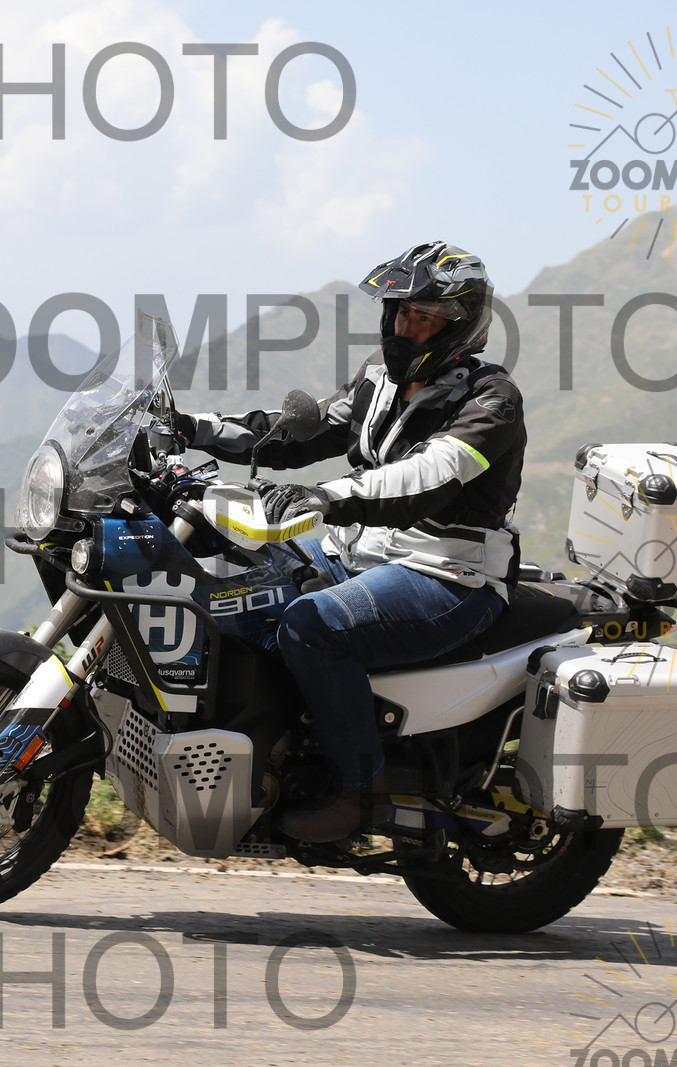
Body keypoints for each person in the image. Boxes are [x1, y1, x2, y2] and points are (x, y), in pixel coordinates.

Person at [174, 240, 526, 842]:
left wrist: (325, 496)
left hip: (447, 574)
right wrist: (192, 428)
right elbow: (298, 432)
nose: (405, 328)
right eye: (400, 312)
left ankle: (359, 790)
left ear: (460, 325)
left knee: (312, 626)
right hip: (357, 553)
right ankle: (269, 751)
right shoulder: (379, 378)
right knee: (228, 588)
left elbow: (427, 475)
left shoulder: (492, 400)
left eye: (423, 318)